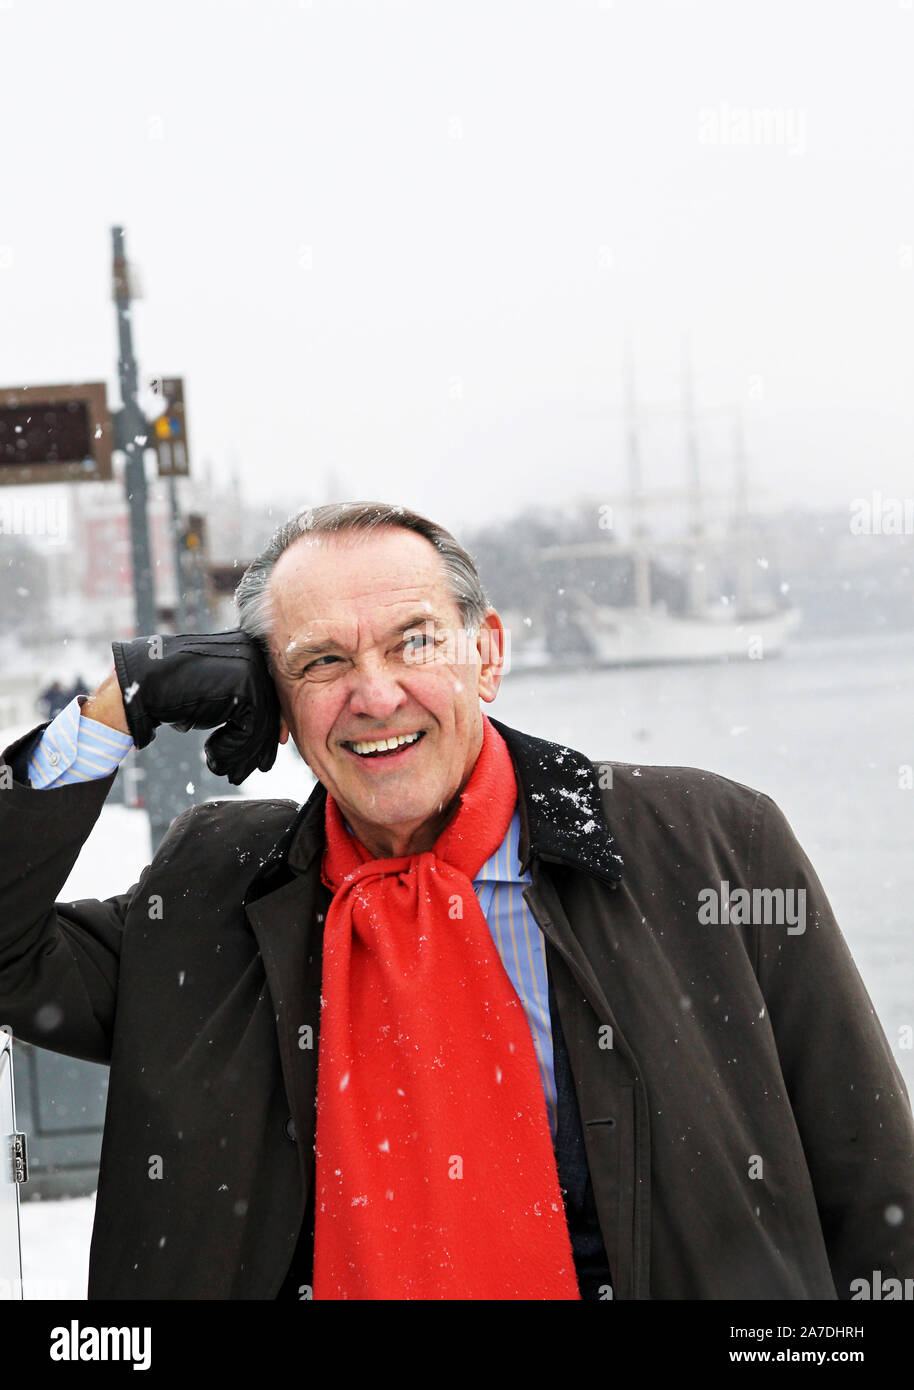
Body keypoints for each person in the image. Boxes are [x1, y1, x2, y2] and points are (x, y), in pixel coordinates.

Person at [1, 501, 912, 1300]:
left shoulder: (710, 847)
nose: (375, 693)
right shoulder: (213, 893)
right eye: (321, 661)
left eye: (415, 641)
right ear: (273, 702)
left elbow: (875, 1186)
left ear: (488, 654)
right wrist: (117, 710)